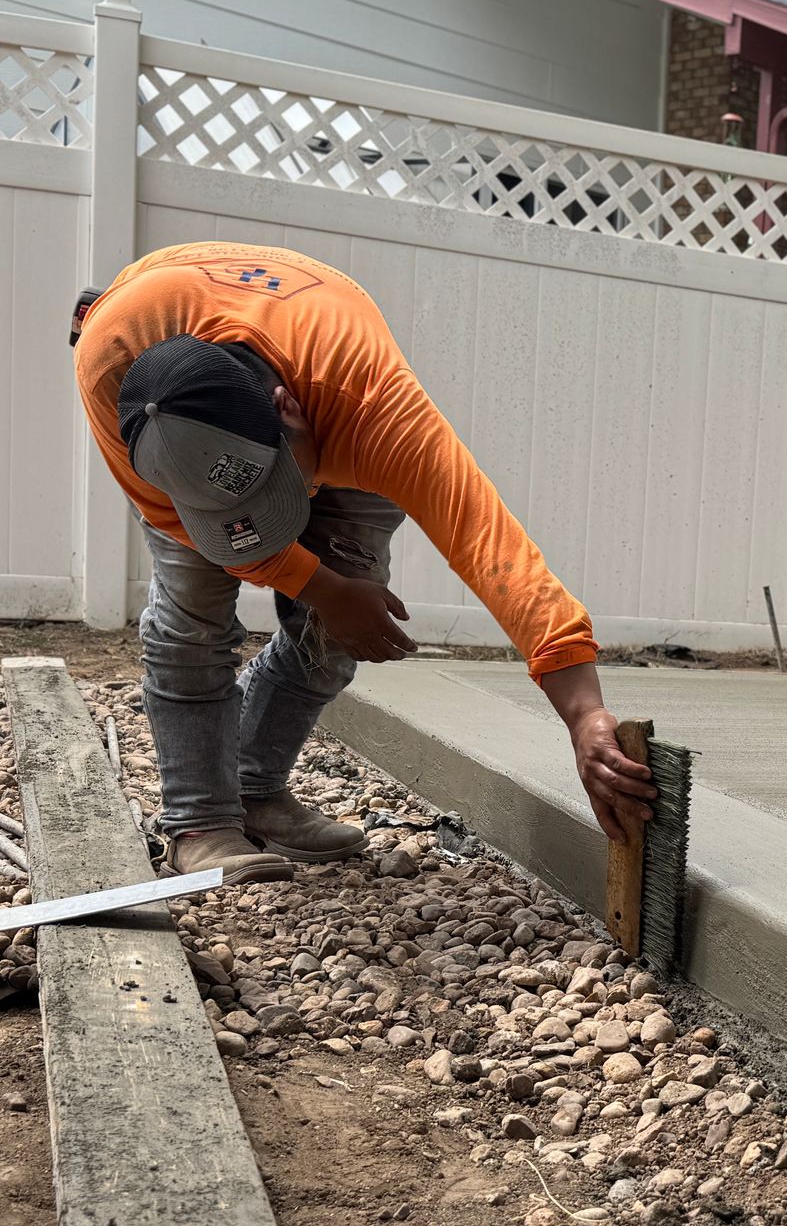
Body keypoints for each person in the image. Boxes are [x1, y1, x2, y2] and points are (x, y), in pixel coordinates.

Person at [71, 241, 654, 882]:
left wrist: (583, 712)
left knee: (340, 633)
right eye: (234, 516)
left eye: (276, 494)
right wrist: (318, 583)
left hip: (335, 399)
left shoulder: (378, 413)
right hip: (172, 356)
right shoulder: (113, 377)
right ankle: (201, 822)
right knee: (189, 621)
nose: (261, 528)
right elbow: (171, 517)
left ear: (288, 411)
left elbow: (490, 545)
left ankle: (253, 790)